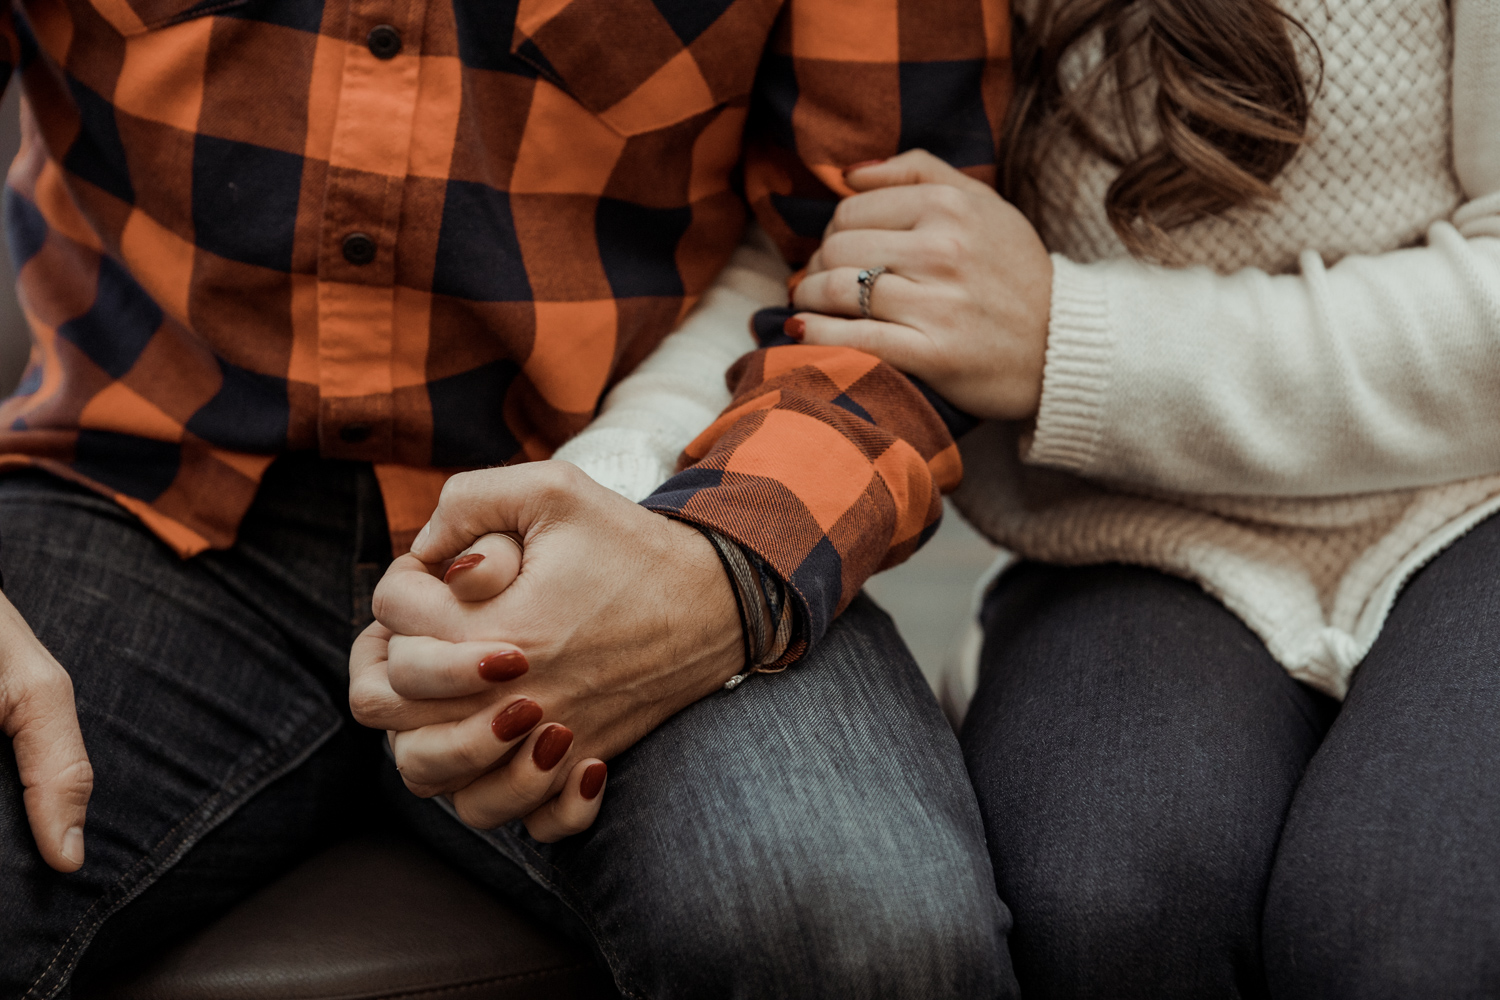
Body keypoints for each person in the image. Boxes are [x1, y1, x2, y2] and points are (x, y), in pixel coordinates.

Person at [0, 2, 1022, 997]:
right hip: (135, 488)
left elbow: (901, 259)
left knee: (867, 940)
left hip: (641, 505)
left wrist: (719, 565)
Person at [784, 0, 1500, 994]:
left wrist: (1070, 339)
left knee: (1415, 939)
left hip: (1477, 496)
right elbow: (789, 234)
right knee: (1099, 903)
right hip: (1131, 528)